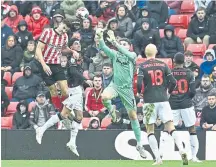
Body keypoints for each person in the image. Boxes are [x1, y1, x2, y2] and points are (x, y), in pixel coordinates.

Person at [35, 38, 93, 157]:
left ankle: (72, 142)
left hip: (77, 89)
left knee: (79, 116)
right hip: (71, 90)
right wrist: (85, 79)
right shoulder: (71, 58)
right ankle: (42, 129)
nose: (78, 45)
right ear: (71, 47)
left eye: (79, 43)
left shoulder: (78, 57)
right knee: (64, 114)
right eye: (75, 44)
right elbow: (72, 71)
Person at [96, 28, 147, 158]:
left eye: (125, 44)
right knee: (104, 97)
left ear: (129, 46)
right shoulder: (115, 54)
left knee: (133, 117)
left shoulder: (133, 55)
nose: (122, 46)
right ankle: (113, 113)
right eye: (121, 44)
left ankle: (139, 144)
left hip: (127, 90)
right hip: (115, 86)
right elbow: (103, 47)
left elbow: (128, 54)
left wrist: (115, 42)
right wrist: (100, 36)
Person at [137, 44, 188, 165]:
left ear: (145, 52)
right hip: (163, 100)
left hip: (149, 101)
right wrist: (168, 92)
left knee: (150, 130)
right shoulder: (163, 64)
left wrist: (140, 93)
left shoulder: (142, 66)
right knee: (171, 127)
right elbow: (174, 82)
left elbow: (139, 83)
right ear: (156, 52)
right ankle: (181, 150)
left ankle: (158, 158)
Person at [169, 53, 201, 162]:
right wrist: (186, 98)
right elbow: (193, 91)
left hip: (173, 104)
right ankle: (194, 157)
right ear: (183, 61)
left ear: (173, 61)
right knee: (192, 128)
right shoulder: (190, 73)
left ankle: (161, 156)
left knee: (168, 128)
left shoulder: (170, 73)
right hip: (186, 103)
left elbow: (166, 89)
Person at [35, 19, 73, 111]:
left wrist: (72, 51)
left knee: (65, 89)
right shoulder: (47, 32)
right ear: (60, 24)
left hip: (57, 64)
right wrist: (44, 65)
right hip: (45, 63)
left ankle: (65, 108)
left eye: (66, 30)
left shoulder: (65, 36)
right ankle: (59, 109)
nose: (64, 31)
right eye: (63, 28)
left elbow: (63, 48)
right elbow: (38, 49)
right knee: (53, 89)